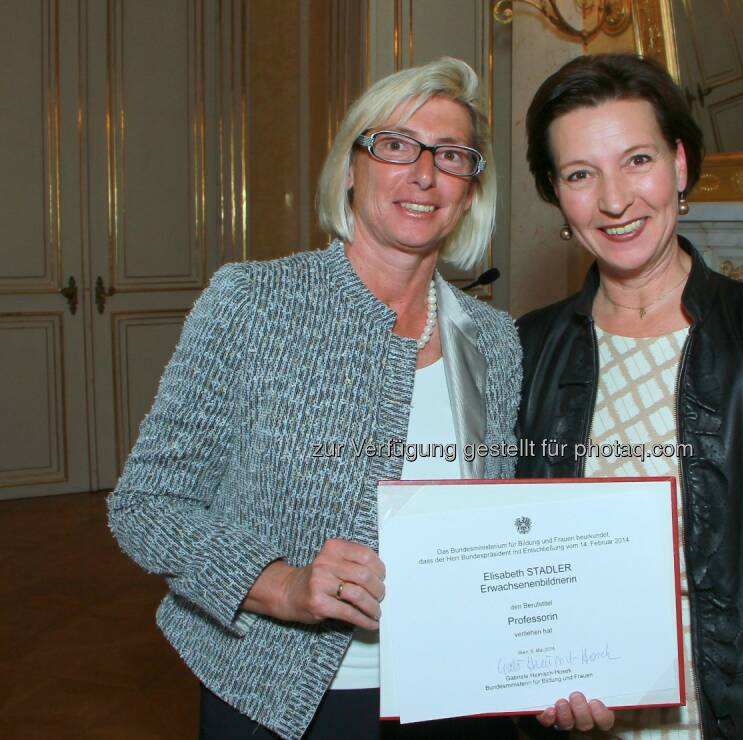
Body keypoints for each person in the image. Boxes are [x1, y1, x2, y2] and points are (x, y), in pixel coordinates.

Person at [107, 57, 521, 740]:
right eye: (395, 145)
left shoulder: (495, 340)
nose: (424, 173)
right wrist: (282, 587)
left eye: (451, 155)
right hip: (286, 694)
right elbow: (147, 504)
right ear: (351, 167)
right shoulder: (253, 304)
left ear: (472, 190)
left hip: (455, 687)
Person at [516, 54, 743, 739]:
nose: (615, 200)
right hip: (581, 719)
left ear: (680, 166)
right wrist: (533, 676)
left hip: (733, 720)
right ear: (556, 196)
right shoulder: (529, 349)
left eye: (638, 160)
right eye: (579, 174)